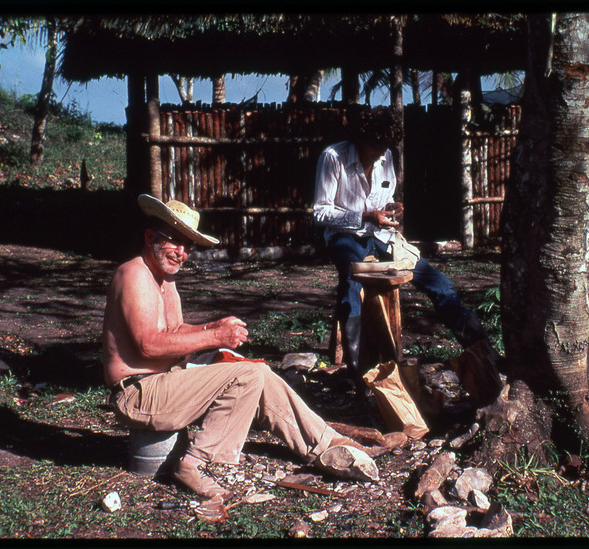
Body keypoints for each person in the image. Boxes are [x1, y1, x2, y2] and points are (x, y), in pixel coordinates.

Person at [102, 194, 378, 501]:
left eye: (188, 246)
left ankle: (327, 444)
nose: (182, 253)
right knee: (246, 375)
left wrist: (212, 328)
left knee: (258, 372)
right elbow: (148, 346)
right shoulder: (134, 274)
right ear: (151, 237)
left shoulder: (164, 281)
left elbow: (175, 332)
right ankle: (196, 464)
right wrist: (216, 338)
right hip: (139, 394)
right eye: (174, 242)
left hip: (165, 384)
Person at [313, 106, 502, 408]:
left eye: (383, 151)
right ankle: (358, 374)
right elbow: (320, 212)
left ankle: (484, 353)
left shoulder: (386, 156)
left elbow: (383, 200)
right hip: (346, 237)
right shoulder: (334, 157)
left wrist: (391, 208)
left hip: (382, 235)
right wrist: (364, 216)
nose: (379, 156)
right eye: (374, 149)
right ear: (360, 140)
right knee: (352, 283)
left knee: (438, 283)